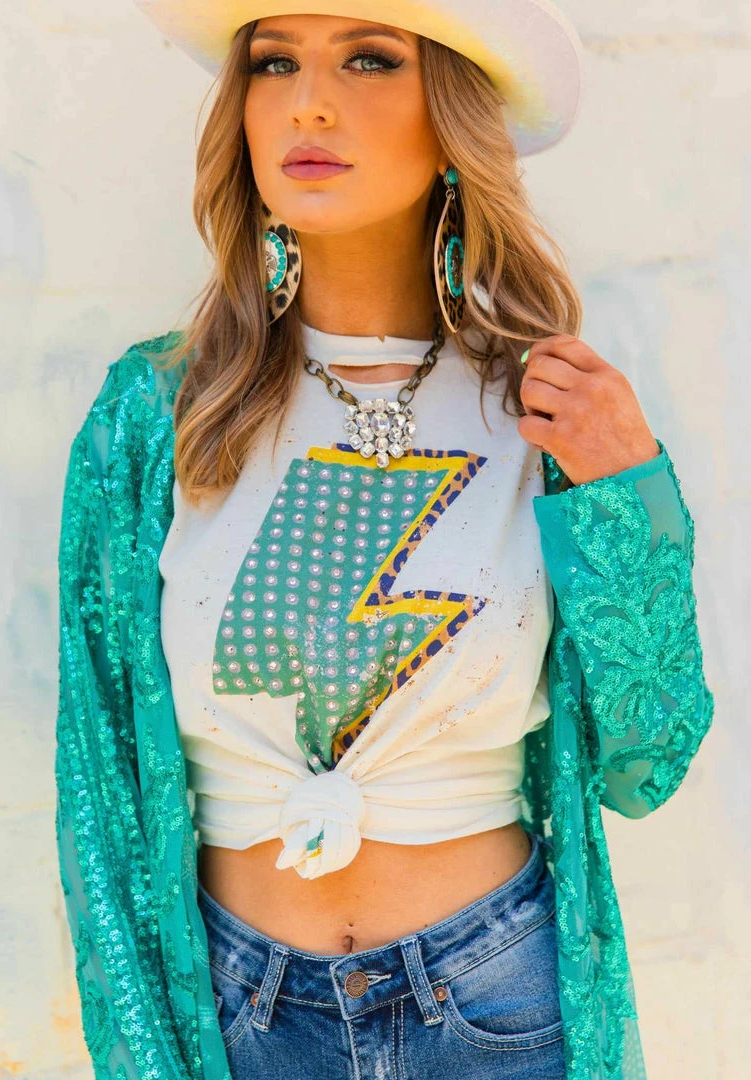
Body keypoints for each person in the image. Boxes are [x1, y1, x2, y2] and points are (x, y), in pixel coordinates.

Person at [54, 2, 714, 1078]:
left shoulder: (548, 410)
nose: (309, 103)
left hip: (498, 1005)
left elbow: (644, 764)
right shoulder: (158, 413)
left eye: (368, 59)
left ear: (453, 118)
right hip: (241, 1017)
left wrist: (625, 495)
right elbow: (101, 783)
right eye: (276, 64)